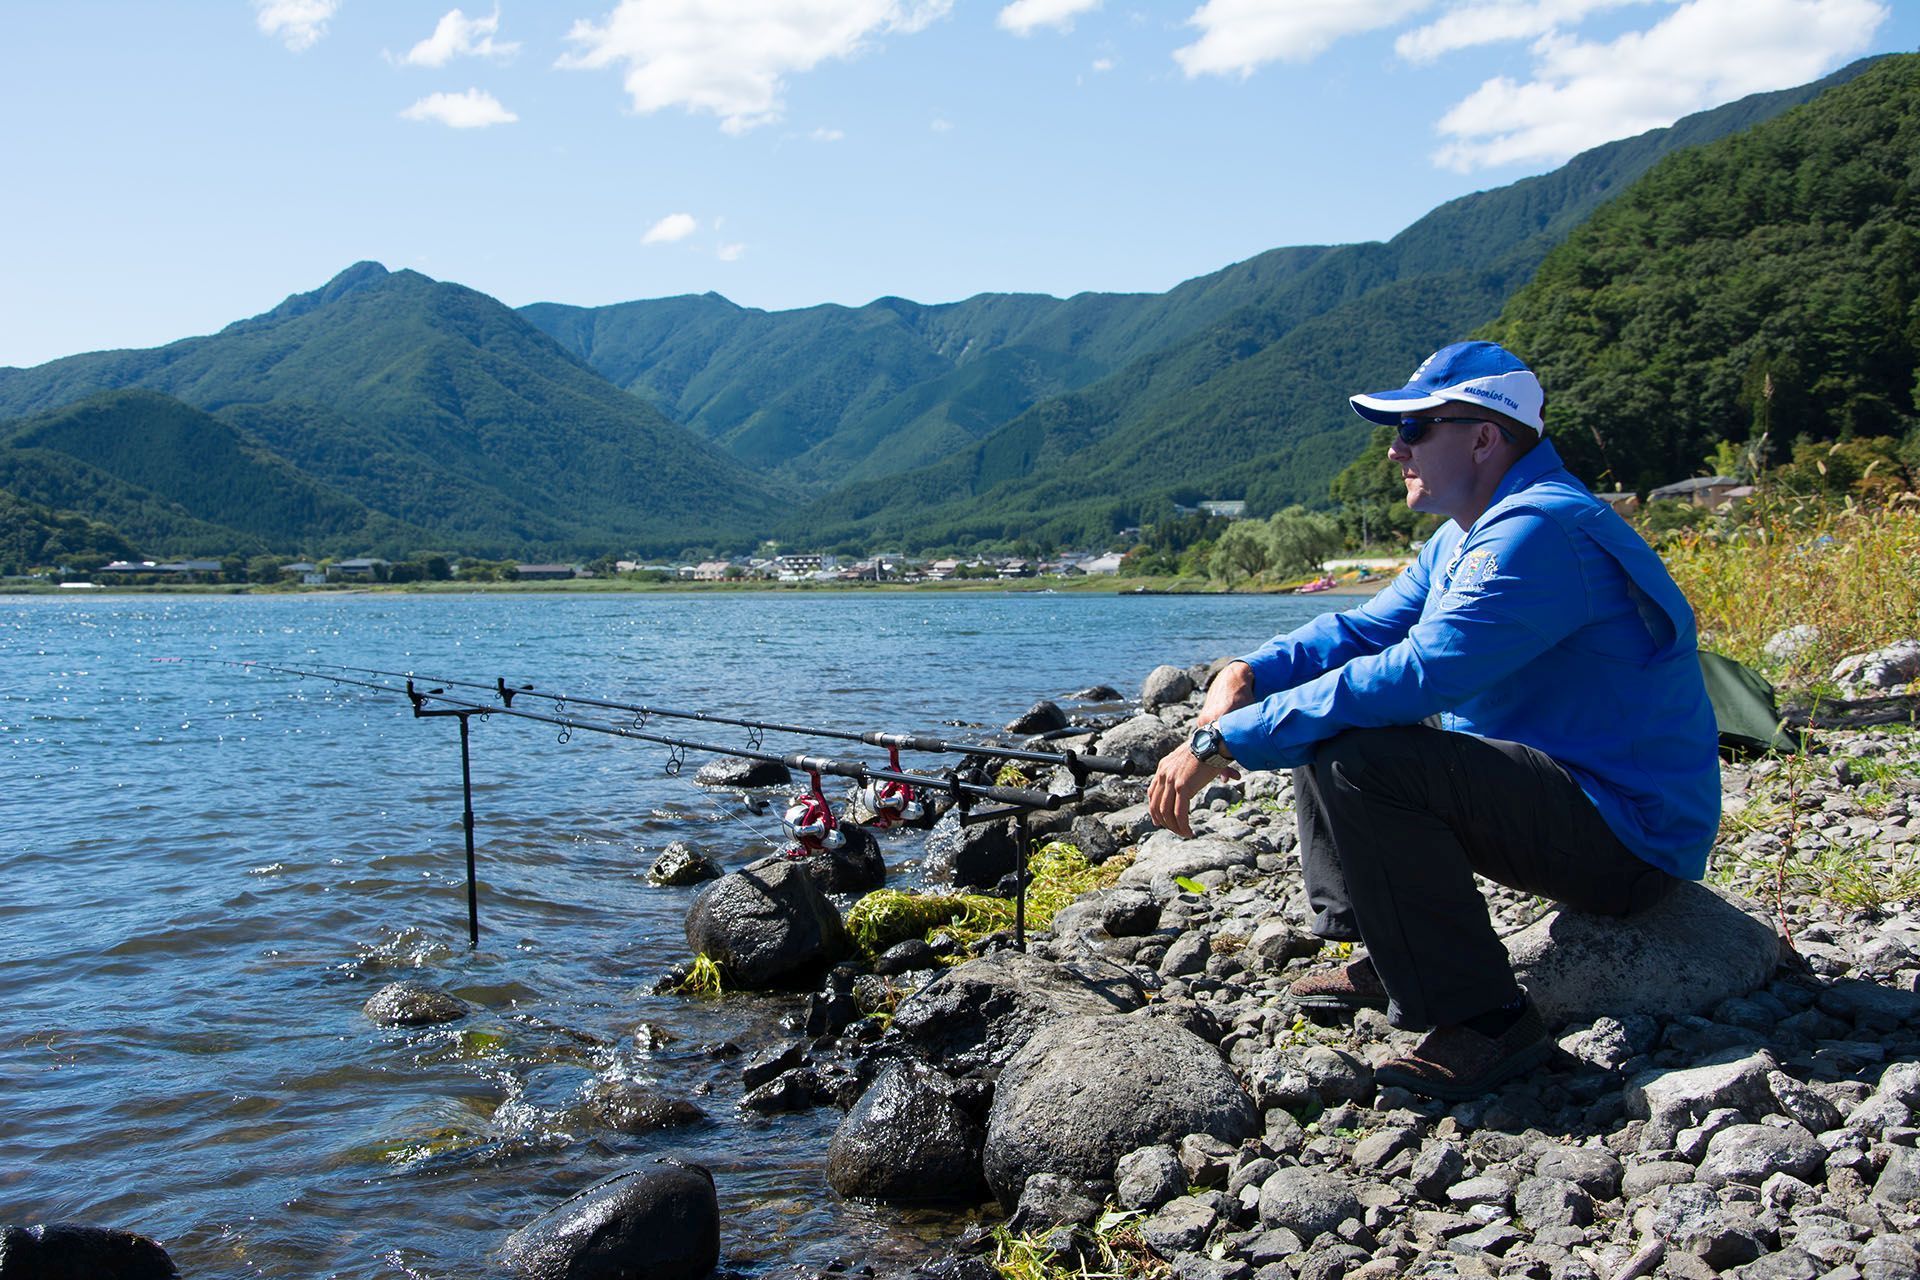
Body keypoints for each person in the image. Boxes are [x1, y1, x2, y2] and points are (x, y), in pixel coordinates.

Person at [1147, 340, 1721, 1100]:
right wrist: (1251, 673)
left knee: (1363, 752)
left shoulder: (1538, 532)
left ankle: (1487, 1021)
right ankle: (1391, 952)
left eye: (1415, 429)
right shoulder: (1466, 533)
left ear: (1485, 437)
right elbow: (1363, 632)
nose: (1394, 450)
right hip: (1572, 798)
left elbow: (1422, 675)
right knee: (1340, 716)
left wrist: (1224, 737)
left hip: (1630, 838)